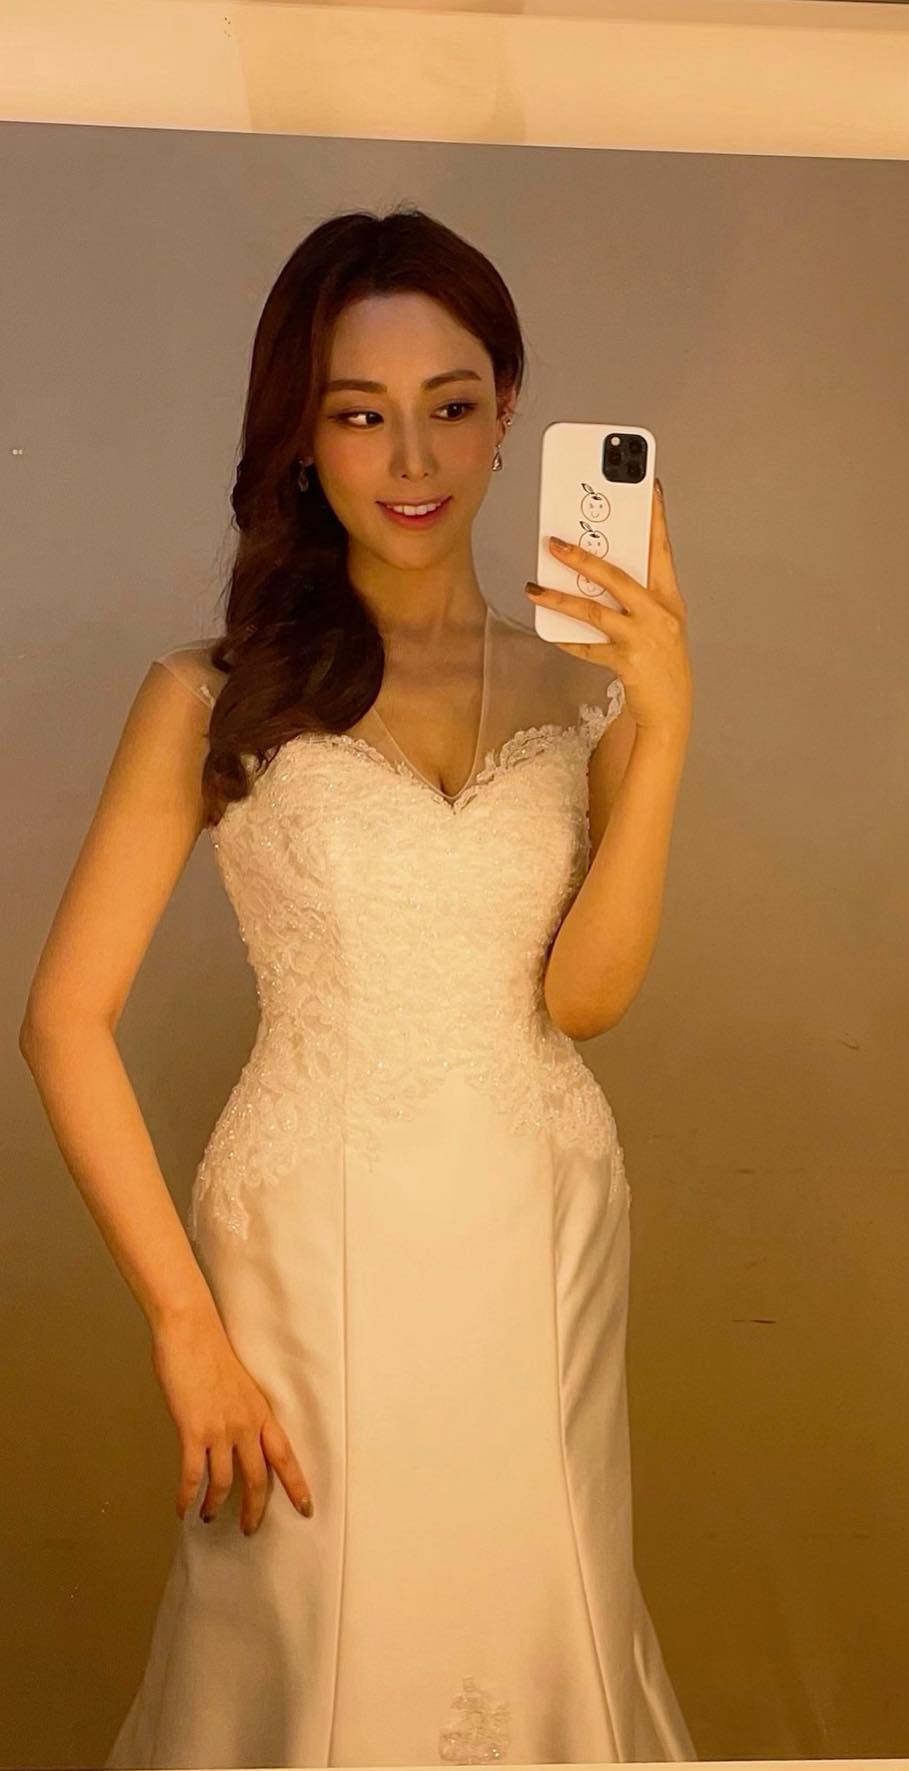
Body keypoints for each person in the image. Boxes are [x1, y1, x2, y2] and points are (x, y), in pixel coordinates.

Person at [18, 205, 695, 1768]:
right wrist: (185, 1328)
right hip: (305, 1239)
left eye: (451, 407)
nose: (413, 459)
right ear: (300, 434)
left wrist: (665, 727)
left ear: (508, 414)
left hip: (539, 1220)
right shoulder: (209, 692)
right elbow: (62, 1023)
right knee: (314, 1637)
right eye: (360, 413)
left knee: (541, 1611)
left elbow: (588, 999)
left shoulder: (584, 690)